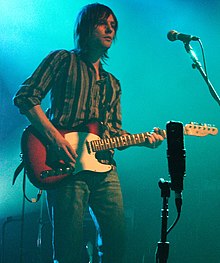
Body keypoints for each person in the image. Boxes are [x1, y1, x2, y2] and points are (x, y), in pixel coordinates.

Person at [13, 3, 164, 263]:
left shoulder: (113, 83)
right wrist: (55, 140)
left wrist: (144, 141)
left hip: (104, 168)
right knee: (69, 246)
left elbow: (113, 131)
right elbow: (26, 97)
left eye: (114, 26)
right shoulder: (62, 60)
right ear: (86, 27)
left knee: (116, 242)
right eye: (103, 23)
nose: (110, 29)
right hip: (65, 163)